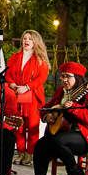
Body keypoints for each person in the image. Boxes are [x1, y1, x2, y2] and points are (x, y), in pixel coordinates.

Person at [6, 30, 51, 166]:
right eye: (24, 38)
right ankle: (20, 153)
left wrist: (27, 86)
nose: (26, 41)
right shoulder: (15, 57)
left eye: (30, 39)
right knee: (18, 126)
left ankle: (30, 154)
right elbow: (7, 73)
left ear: (35, 42)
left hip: (32, 97)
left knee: (32, 127)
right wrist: (12, 84)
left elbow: (41, 78)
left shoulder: (40, 60)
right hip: (16, 95)